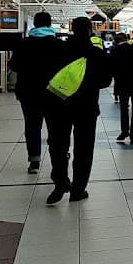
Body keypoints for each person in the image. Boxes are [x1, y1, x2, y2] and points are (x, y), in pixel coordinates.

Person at [45, 17, 111, 204]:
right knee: (84, 148)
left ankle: (60, 183)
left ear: (71, 29)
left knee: (58, 144)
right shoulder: (96, 53)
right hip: (86, 107)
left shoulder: (58, 50)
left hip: (59, 105)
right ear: (90, 30)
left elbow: (48, 75)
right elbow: (105, 81)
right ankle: (78, 189)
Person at [7, 11, 61, 173]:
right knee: (55, 127)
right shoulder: (58, 45)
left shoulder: (23, 44)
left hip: (28, 92)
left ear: (35, 24)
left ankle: (34, 161)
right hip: (54, 92)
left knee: (32, 126)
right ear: (50, 24)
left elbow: (14, 66)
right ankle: (57, 160)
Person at [111, 32, 133, 145]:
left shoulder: (115, 50)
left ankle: (124, 131)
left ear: (116, 41)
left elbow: (112, 68)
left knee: (124, 108)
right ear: (126, 39)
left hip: (122, 84)